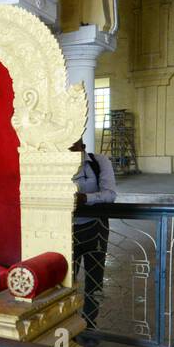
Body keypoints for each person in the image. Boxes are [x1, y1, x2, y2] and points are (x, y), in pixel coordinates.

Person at [71, 137, 118, 336]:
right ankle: (68, 324)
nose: (71, 153)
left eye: (74, 148)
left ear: (82, 147)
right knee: (65, 279)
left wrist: (86, 198)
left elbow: (110, 194)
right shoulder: (55, 164)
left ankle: (90, 324)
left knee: (94, 279)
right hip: (66, 231)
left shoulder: (99, 162)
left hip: (95, 228)